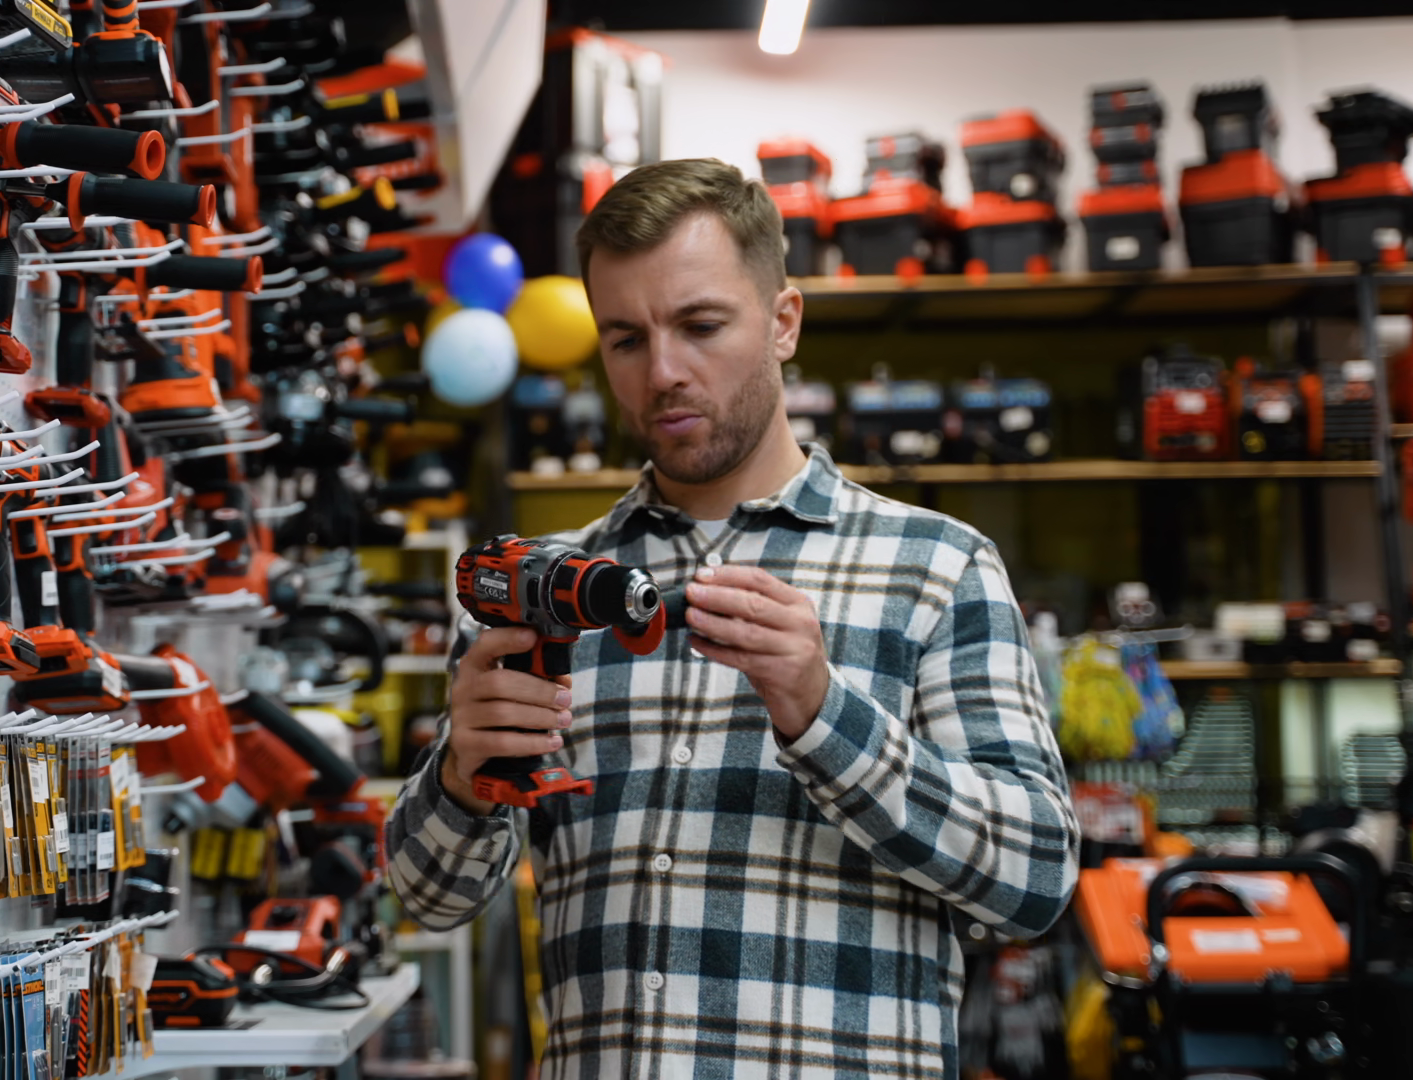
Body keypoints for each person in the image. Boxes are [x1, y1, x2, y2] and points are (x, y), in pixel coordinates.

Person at [386, 159, 1078, 1079]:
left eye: (701, 325)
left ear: (783, 321)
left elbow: (1035, 880)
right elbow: (428, 899)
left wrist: (825, 715)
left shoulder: (937, 569)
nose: (664, 372)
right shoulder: (545, 593)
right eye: (625, 339)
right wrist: (463, 781)